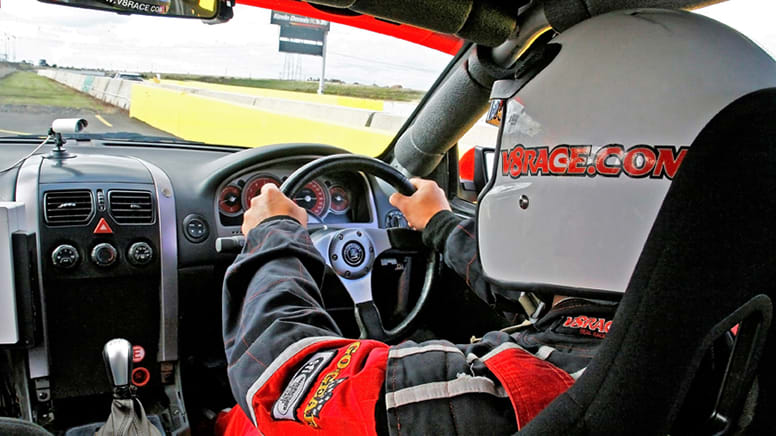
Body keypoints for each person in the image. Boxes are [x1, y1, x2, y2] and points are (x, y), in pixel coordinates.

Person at [215, 178, 617, 436]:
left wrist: (273, 233)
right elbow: (524, 282)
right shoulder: (619, 324)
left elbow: (285, 383)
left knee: (245, 423)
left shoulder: (534, 388)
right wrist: (439, 222)